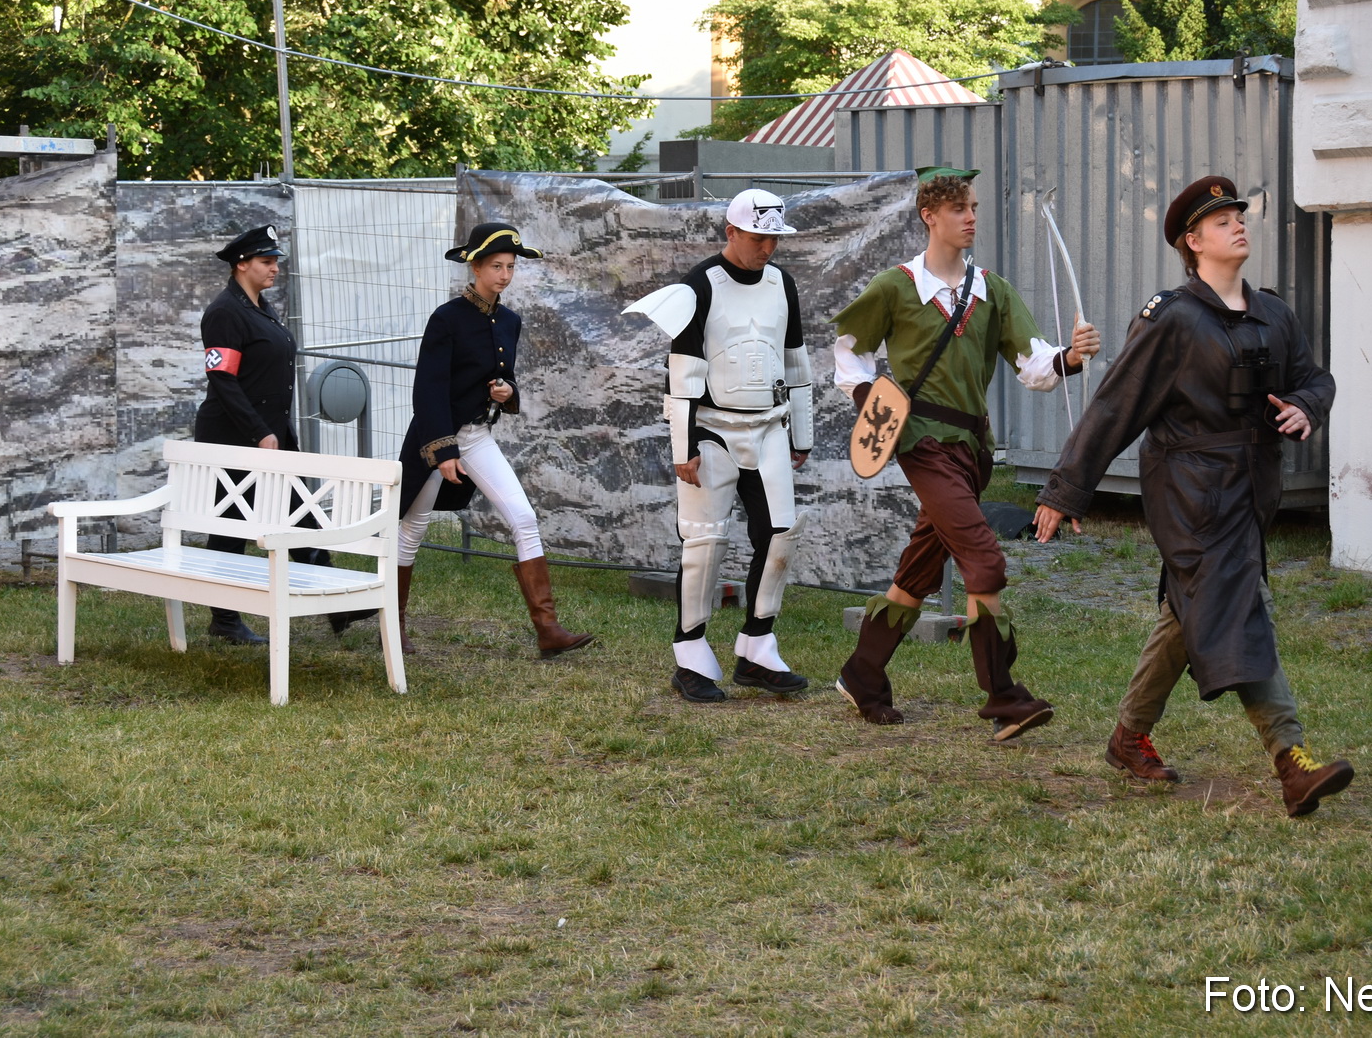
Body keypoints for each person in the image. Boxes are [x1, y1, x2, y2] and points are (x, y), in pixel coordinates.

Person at [1033, 175, 1353, 817]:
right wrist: (1067, 489)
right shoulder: (1172, 318)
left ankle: (1127, 737)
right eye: (1221, 220)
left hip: (1252, 489)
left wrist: (1303, 407)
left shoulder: (1274, 313)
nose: (1238, 225)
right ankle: (1291, 762)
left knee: (1189, 612)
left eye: (1240, 216)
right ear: (1192, 241)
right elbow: (1116, 405)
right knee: (1237, 605)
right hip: (1189, 493)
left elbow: (1315, 378)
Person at [832, 168, 1100, 740]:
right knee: (985, 561)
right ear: (930, 216)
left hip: (974, 449)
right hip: (920, 442)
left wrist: (1071, 357)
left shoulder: (993, 290)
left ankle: (862, 674)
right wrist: (870, 398)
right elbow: (847, 354)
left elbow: (1034, 367)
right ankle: (1005, 697)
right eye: (958, 208)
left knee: (918, 573)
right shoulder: (895, 287)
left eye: (974, 206)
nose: (971, 216)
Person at [624, 189, 813, 702]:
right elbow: (682, 372)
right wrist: (682, 447)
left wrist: (803, 433)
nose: (767, 247)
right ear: (731, 232)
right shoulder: (699, 286)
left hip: (769, 427)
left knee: (780, 536)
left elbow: (794, 359)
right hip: (712, 431)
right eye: (758, 237)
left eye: (774, 237)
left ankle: (757, 645)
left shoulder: (782, 284)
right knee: (704, 543)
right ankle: (690, 654)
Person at [393, 222, 594, 658]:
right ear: (476, 267)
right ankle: (393, 626)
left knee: (523, 518)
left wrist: (508, 393)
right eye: (497, 266)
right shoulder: (446, 319)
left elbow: (506, 378)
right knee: (412, 530)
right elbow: (427, 389)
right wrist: (443, 451)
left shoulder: (510, 321)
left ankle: (548, 630)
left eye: (510, 266)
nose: (505, 275)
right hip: (436, 437)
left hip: (478, 436)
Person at [196, 226, 374, 643]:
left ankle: (334, 603)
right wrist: (259, 432)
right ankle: (224, 621)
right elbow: (223, 380)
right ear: (241, 264)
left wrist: (274, 431)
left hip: (272, 433)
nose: (275, 268)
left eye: (276, 261)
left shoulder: (261, 306)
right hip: (235, 435)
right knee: (232, 524)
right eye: (266, 261)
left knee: (300, 513)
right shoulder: (225, 312)